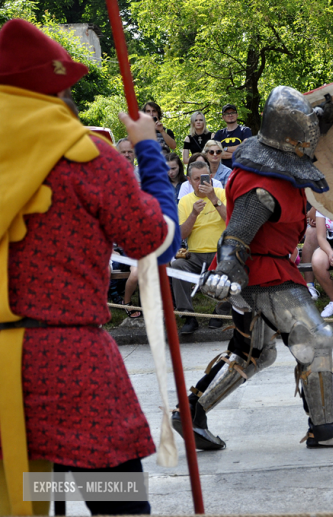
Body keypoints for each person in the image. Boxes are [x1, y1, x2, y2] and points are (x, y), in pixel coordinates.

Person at [0, 19, 180, 515]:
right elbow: (154, 239)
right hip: (68, 362)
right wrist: (147, 148)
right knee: (118, 501)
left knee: (20, 490)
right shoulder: (85, 157)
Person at [176, 85, 333, 450]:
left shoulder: (269, 154)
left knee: (254, 353)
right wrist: (224, 269)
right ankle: (324, 426)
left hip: (261, 273)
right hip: (267, 276)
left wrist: (325, 120)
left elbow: (298, 138)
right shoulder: (262, 183)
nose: (308, 144)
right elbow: (236, 235)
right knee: (316, 341)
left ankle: (190, 414)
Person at [172, 161, 228, 334]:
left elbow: (231, 222)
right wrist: (194, 214)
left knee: (235, 267)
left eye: (204, 178)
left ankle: (220, 312)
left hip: (220, 254)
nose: (201, 183)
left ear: (211, 178)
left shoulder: (221, 194)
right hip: (195, 256)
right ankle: (188, 316)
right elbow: (181, 234)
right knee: (176, 266)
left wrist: (214, 200)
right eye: (196, 179)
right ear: (189, 181)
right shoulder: (185, 201)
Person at [213, 103, 252, 168]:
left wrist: (225, 148)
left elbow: (245, 148)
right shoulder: (219, 133)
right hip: (223, 171)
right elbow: (216, 153)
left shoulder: (245, 130)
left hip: (241, 169)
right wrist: (238, 154)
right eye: (227, 113)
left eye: (233, 112)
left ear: (237, 115)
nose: (230, 115)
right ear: (223, 117)